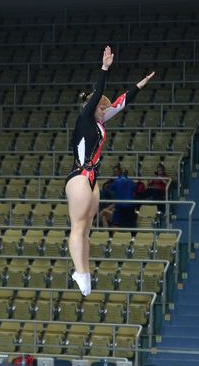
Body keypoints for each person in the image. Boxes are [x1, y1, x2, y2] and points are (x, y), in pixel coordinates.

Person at [65, 46, 154, 295]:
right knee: (78, 228)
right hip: (79, 177)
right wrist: (105, 68)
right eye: (102, 108)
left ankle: (84, 273)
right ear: (92, 107)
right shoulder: (85, 119)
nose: (105, 111)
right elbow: (99, 95)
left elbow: (120, 103)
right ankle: (80, 271)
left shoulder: (99, 122)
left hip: (91, 179)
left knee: (87, 229)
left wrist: (140, 85)